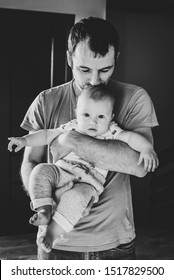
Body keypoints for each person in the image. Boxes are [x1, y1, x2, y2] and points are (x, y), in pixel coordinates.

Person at [19, 17, 159, 260]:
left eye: (105, 70)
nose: (94, 81)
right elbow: (31, 163)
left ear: (116, 60)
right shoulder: (45, 101)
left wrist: (72, 141)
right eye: (84, 69)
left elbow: (139, 165)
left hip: (114, 243)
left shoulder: (135, 98)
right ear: (69, 58)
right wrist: (47, 198)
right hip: (55, 242)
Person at [8, 84, 159, 253]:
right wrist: (24, 141)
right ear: (76, 112)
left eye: (101, 116)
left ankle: (51, 234)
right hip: (62, 172)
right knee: (41, 170)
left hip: (88, 182)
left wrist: (146, 148)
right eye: (86, 115)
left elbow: (131, 138)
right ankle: (44, 209)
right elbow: (45, 135)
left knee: (77, 198)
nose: (92, 121)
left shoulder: (111, 131)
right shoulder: (72, 126)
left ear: (111, 117)